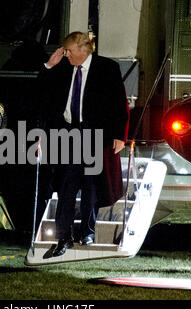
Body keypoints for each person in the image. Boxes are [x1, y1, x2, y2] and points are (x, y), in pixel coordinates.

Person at [38, 32, 130, 257]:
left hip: (95, 135)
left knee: (91, 186)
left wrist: (120, 135)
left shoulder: (107, 68)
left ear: (82, 50)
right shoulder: (62, 67)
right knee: (67, 187)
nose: (66, 54)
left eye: (69, 50)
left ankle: (87, 231)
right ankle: (63, 237)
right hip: (69, 134)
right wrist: (49, 65)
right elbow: (42, 93)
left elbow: (119, 102)